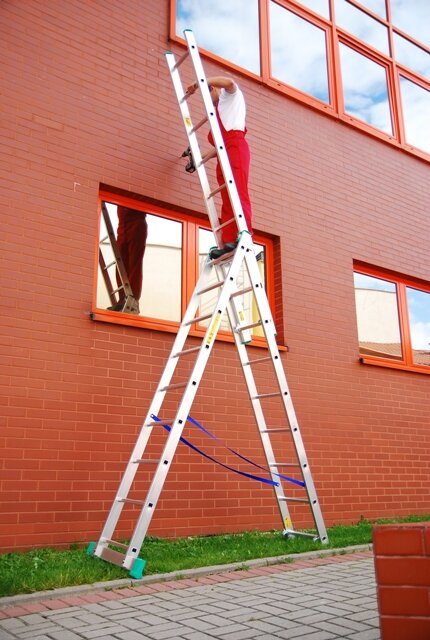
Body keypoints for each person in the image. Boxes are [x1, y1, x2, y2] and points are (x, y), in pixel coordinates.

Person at [187, 76, 253, 259]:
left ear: (214, 88)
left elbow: (230, 82)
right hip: (224, 152)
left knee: (237, 191)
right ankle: (229, 240)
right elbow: (219, 148)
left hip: (236, 146)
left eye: (208, 91)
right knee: (227, 196)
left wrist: (199, 82)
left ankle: (243, 234)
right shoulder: (216, 112)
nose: (208, 98)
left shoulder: (228, 96)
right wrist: (200, 158)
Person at [109, 206, 148, 312]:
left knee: (134, 264)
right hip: (122, 226)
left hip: (136, 222)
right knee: (120, 264)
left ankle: (133, 300)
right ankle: (122, 299)